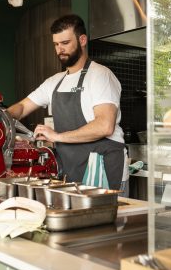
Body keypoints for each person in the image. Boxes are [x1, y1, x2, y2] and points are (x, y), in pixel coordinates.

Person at [7, 14, 125, 188]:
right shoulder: (54, 81)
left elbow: (105, 125)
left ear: (82, 40)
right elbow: (23, 107)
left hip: (103, 170)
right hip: (71, 172)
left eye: (65, 43)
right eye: (56, 44)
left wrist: (57, 136)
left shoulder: (100, 75)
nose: (59, 49)